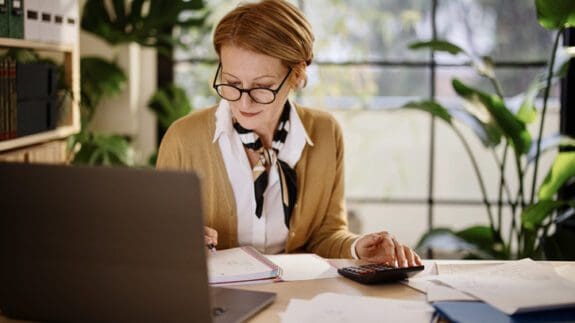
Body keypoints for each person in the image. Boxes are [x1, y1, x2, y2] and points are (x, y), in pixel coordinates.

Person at [156, 0, 421, 267]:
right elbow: (158, 240)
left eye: (263, 87)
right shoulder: (183, 139)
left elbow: (326, 235)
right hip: (216, 302)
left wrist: (355, 248)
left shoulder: (326, 133)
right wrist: (177, 242)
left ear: (297, 75)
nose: (244, 103)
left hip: (297, 299)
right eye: (232, 83)